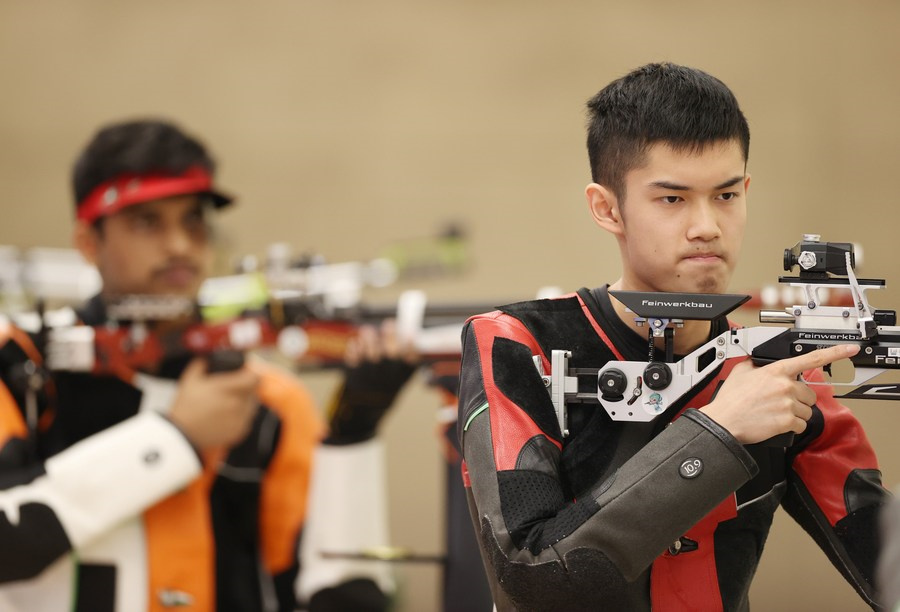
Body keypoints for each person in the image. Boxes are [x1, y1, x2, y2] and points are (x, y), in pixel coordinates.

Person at [457, 63, 888, 611]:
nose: (707, 226)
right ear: (607, 208)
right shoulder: (518, 342)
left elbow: (887, 562)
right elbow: (531, 576)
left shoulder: (780, 375)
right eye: (673, 199)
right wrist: (718, 431)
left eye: (726, 195)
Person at [0, 119, 414, 611]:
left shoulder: (268, 399)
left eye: (194, 221)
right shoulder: (21, 366)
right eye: (147, 222)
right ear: (89, 242)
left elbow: (343, 599)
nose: (179, 245)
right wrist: (176, 437)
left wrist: (352, 438)